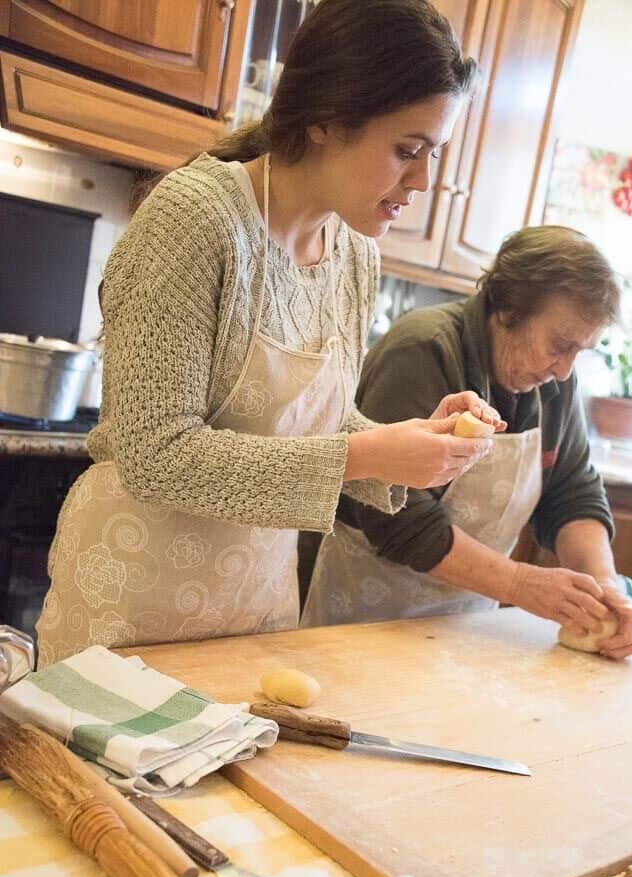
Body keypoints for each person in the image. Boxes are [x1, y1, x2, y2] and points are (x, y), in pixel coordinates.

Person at [36, 0, 499, 665]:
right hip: (129, 615)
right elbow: (155, 454)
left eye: (432, 154)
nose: (423, 181)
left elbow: (310, 428)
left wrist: (410, 440)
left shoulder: (353, 254)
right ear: (326, 122)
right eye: (407, 149)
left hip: (255, 611)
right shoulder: (196, 219)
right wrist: (368, 456)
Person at [301, 226, 632, 660]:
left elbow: (572, 492)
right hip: (360, 620)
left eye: (581, 351)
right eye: (560, 345)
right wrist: (518, 583)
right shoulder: (424, 349)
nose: (564, 370)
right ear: (508, 308)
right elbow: (397, 515)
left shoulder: (556, 383)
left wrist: (605, 587)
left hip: (463, 628)